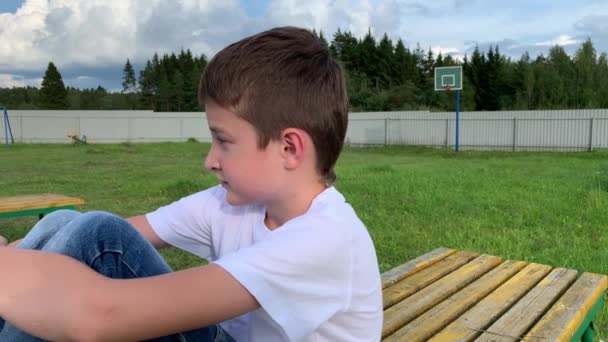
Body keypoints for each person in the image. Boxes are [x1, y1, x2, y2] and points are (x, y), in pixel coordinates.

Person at [0, 26, 383, 341]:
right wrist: (14, 250)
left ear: (289, 148)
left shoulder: (325, 240)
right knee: (63, 221)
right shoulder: (234, 204)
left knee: (95, 230)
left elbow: (100, 315)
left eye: (224, 141)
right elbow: (115, 236)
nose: (210, 160)